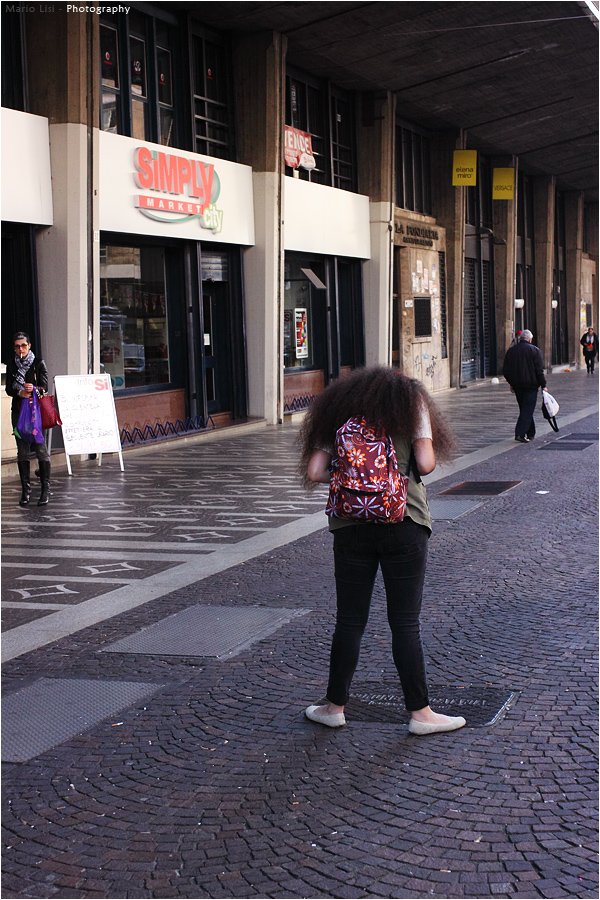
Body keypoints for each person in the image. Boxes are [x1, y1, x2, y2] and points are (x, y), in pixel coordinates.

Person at [298, 366, 466, 736]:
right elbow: (426, 464)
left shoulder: (336, 410)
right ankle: (420, 713)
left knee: (349, 619)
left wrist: (356, 480)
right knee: (405, 621)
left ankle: (333, 707)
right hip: (404, 519)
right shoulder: (411, 402)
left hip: (351, 525)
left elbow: (314, 471)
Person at [5, 332, 51, 506]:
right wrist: (20, 392)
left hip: (36, 413)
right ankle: (26, 490)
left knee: (40, 448)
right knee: (22, 450)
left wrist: (34, 389)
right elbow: (9, 389)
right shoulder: (12, 365)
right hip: (18, 412)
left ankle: (45, 489)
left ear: (29, 346)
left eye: (23, 345)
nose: (20, 349)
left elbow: (45, 388)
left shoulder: (38, 363)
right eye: (17, 347)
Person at [502, 329, 546, 443]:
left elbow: (505, 370)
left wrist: (511, 383)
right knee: (527, 409)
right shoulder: (534, 350)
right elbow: (539, 370)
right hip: (531, 385)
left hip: (517, 385)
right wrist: (543, 385)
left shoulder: (511, 351)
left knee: (525, 408)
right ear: (530, 339)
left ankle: (531, 433)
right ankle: (520, 433)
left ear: (520, 339)